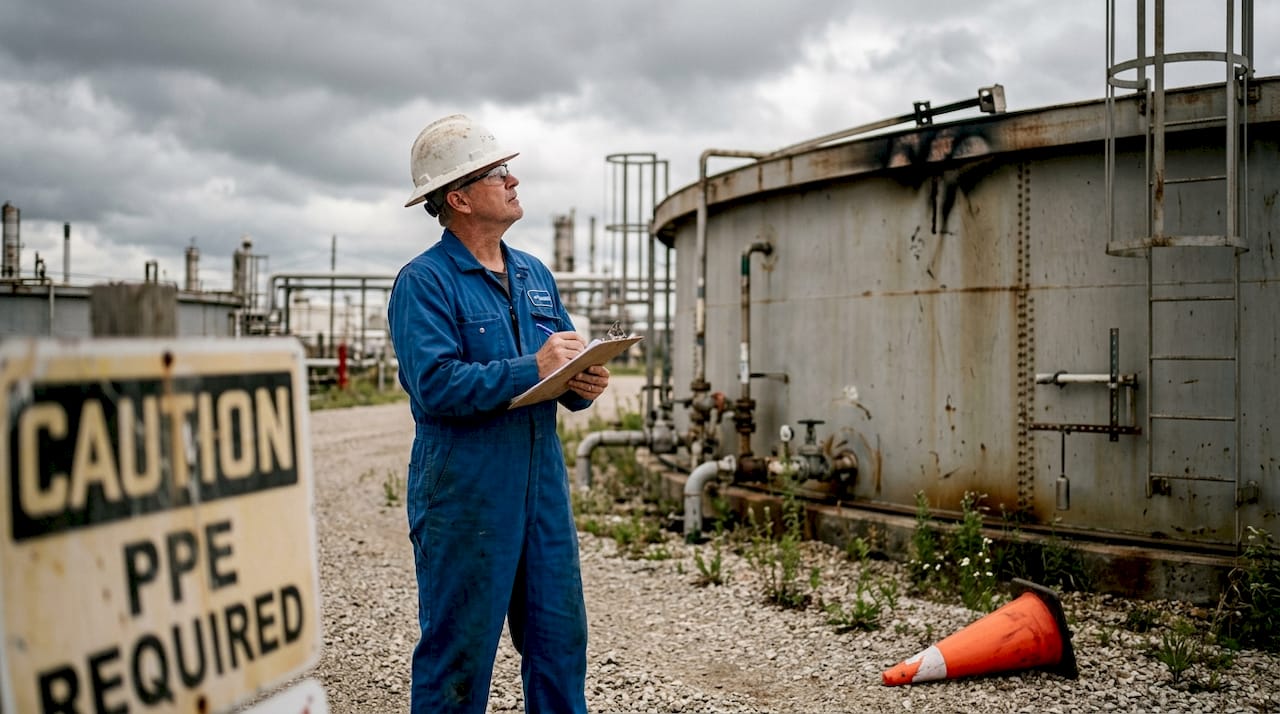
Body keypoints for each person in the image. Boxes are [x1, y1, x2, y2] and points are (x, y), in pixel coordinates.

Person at [387, 114, 609, 714]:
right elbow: (433, 384)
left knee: (560, 643)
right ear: (457, 197)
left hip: (541, 490)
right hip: (466, 494)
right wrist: (532, 368)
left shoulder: (534, 274)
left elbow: (558, 367)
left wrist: (583, 380)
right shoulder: (424, 283)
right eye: (496, 172)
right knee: (459, 655)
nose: (513, 181)